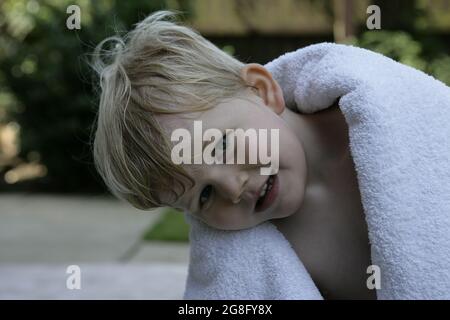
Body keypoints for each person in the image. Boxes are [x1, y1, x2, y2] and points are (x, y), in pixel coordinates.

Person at [91, 10, 375, 299]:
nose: (232, 188)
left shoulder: (382, 124)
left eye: (222, 145)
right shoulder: (257, 261)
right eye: (204, 195)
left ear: (262, 90)